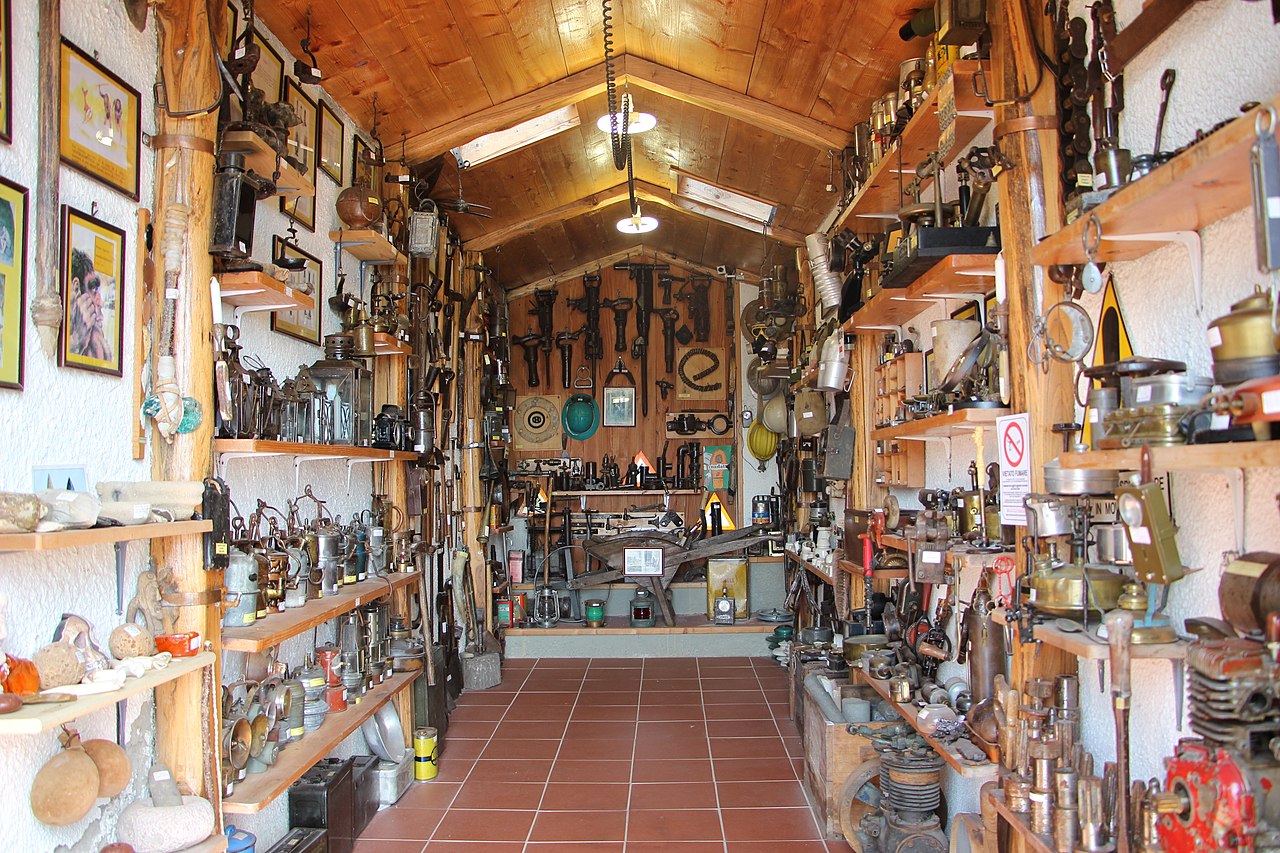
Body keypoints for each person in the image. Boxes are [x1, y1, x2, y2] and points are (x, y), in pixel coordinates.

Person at [68, 248, 111, 362]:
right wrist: (77, 340)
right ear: (76, 288)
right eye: (93, 289)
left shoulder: (98, 342)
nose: (100, 303)